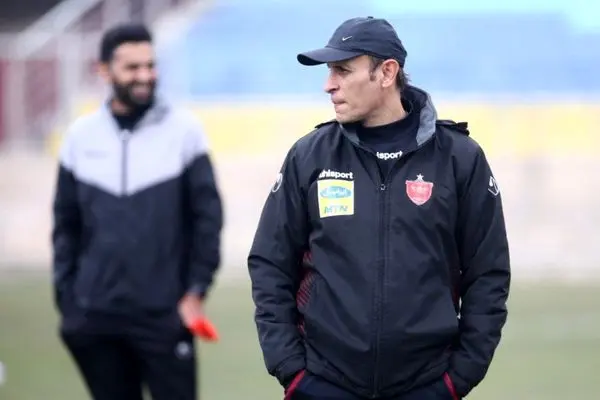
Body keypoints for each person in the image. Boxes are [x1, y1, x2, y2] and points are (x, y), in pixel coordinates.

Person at [248, 16, 510, 400]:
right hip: (323, 383)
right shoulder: (310, 156)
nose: (328, 84)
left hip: (426, 386)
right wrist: (291, 368)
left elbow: (488, 273)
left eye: (342, 70)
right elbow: (270, 264)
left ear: (387, 72)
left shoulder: (459, 158)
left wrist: (459, 377)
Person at [51, 23, 223, 400]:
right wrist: (68, 303)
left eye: (150, 65)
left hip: (164, 314)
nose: (145, 76)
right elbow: (65, 225)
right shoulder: (79, 136)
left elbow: (208, 220)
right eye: (132, 67)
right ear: (104, 70)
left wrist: (195, 291)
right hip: (95, 317)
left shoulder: (185, 131)